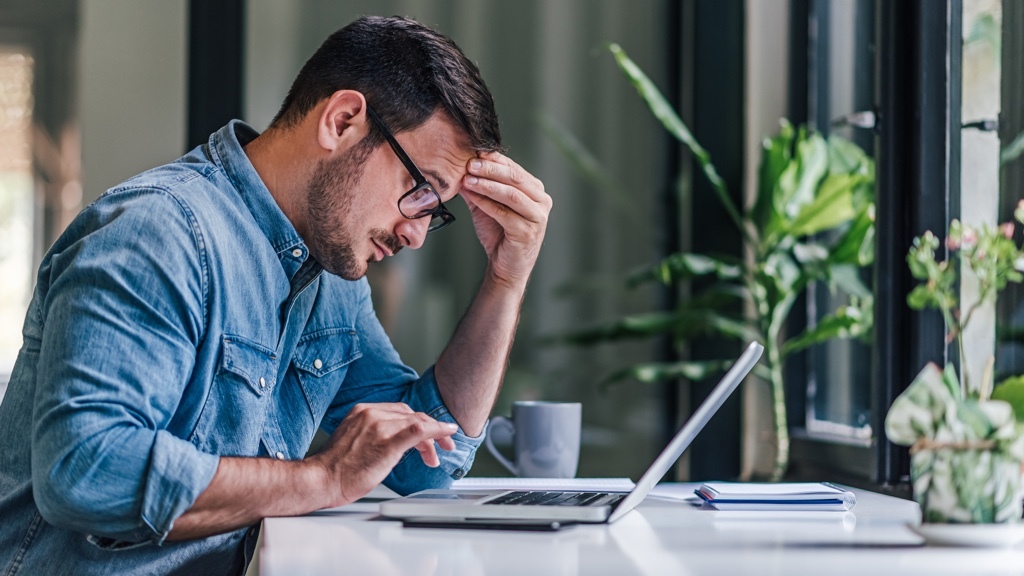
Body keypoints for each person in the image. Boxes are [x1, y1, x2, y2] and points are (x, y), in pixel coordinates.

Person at [0, 15, 551, 575]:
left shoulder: (331, 272)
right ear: (342, 121)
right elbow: (85, 471)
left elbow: (423, 463)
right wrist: (324, 478)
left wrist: (507, 278)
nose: (413, 233)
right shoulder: (156, 234)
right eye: (420, 191)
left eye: (434, 212)